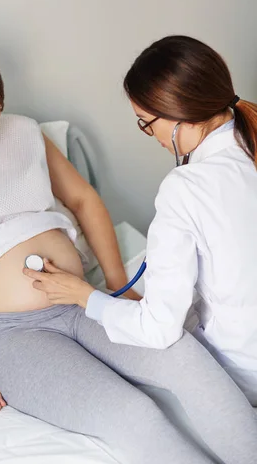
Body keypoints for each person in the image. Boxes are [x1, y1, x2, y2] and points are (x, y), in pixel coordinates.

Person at [0, 40, 257, 464]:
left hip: (77, 302)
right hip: (2, 334)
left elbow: (84, 201)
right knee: (130, 413)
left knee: (189, 362)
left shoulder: (23, 133)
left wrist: (115, 285)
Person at [24, 35, 257, 409]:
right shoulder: (247, 145)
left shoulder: (187, 187)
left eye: (146, 123)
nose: (152, 136)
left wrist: (83, 296)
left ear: (177, 116)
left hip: (244, 376)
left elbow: (158, 329)